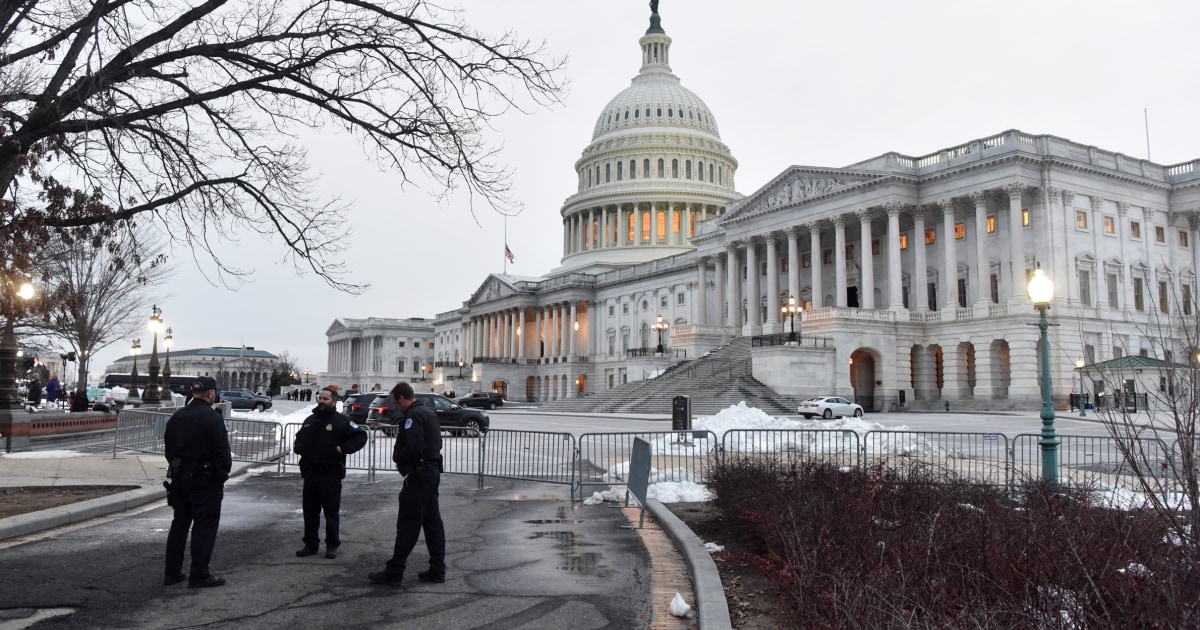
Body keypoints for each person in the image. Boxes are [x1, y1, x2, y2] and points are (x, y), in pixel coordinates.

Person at [369, 382, 445, 586]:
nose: (395, 406)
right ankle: (437, 569)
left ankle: (394, 572)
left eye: (395, 402)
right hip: (431, 471)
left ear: (402, 398)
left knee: (408, 524)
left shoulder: (412, 416)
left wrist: (400, 459)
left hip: (419, 475)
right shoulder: (428, 413)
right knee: (432, 524)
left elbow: (413, 446)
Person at [163, 376, 232, 589]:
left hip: (180, 477)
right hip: (204, 479)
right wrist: (220, 476)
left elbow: (169, 448)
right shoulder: (212, 418)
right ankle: (199, 574)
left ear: (194, 393)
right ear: (211, 394)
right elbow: (222, 452)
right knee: (205, 525)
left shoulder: (178, 416)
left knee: (180, 524)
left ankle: (171, 572)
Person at [294, 387, 367, 559]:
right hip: (311, 472)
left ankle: (332, 545)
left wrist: (343, 449)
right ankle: (310, 544)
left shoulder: (341, 421)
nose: (321, 401)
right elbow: (299, 439)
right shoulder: (310, 420)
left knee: (331, 511)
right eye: (320, 398)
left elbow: (360, 436)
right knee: (310, 511)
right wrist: (300, 448)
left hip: (330, 472)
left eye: (325, 399)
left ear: (334, 402)